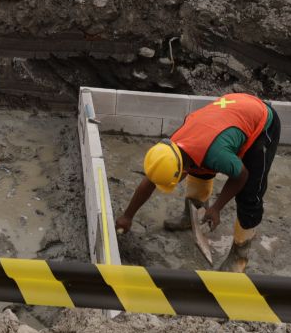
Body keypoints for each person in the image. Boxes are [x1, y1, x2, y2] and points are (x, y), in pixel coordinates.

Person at [115, 93, 281, 272]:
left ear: (182, 171)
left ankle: (239, 256)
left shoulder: (217, 154)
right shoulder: (171, 149)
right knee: (200, 164)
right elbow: (150, 180)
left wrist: (216, 208)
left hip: (262, 121)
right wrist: (127, 216)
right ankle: (191, 216)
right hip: (230, 116)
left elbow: (241, 175)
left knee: (250, 193)